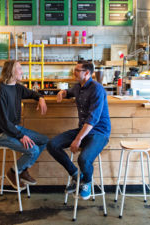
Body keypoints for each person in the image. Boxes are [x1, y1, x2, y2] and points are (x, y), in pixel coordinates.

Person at [47, 61, 111, 200]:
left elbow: (93, 119)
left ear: (86, 73)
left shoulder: (97, 89)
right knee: (52, 145)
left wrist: (78, 139)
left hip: (99, 132)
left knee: (84, 159)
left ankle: (87, 182)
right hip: (83, 129)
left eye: (77, 70)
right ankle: (76, 175)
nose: (73, 72)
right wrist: (62, 92)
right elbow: (69, 92)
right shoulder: (77, 87)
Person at [0, 60, 49, 189]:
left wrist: (41, 98)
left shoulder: (17, 87)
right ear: (11, 71)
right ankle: (14, 172)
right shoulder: (0, 91)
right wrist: (20, 136)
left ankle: (21, 170)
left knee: (44, 140)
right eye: (20, 69)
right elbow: (3, 122)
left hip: (13, 129)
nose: (22, 72)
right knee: (33, 150)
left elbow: (32, 93)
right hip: (0, 133)